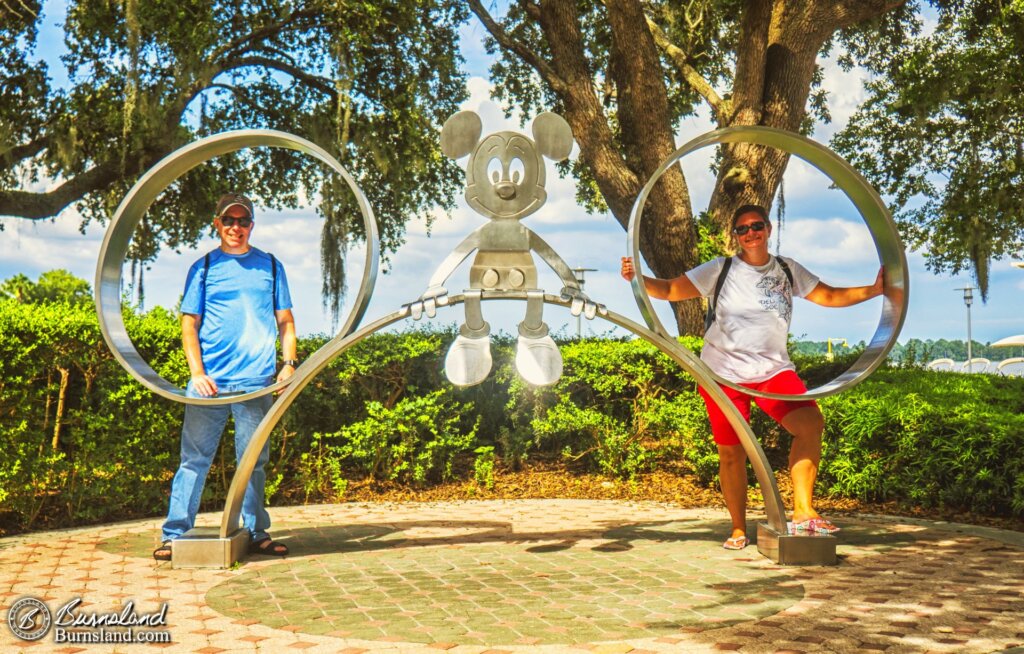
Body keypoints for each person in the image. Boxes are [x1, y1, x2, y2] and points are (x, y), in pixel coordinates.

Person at [620, 204, 882, 550]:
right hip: (722, 375)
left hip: (773, 371)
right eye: (742, 229)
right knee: (731, 453)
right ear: (735, 236)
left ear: (769, 229)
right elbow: (670, 290)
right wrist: (637, 279)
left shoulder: (788, 269)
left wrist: (875, 290)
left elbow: (830, 296)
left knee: (810, 424)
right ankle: (739, 528)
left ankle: (803, 512)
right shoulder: (721, 269)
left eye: (756, 226)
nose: (750, 234)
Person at [153, 192, 298, 561]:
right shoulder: (203, 267)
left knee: (254, 462)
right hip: (209, 383)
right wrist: (197, 373)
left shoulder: (269, 266)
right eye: (229, 221)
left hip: (256, 381)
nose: (236, 227)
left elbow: (286, 322)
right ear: (217, 223)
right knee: (193, 460)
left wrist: (289, 364)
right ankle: (175, 534)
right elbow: (189, 324)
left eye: (243, 221)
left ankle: (255, 532)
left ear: (252, 225)